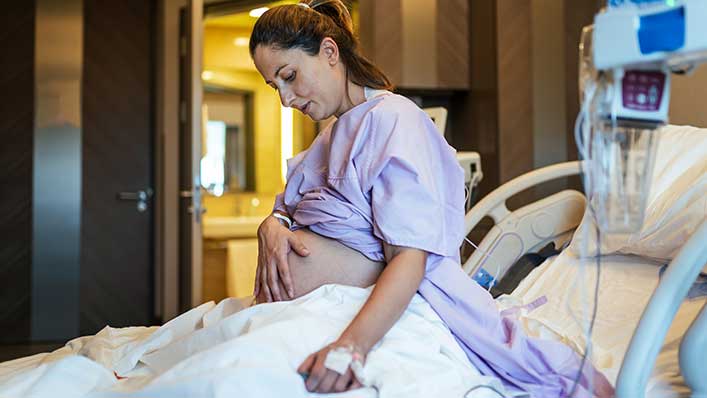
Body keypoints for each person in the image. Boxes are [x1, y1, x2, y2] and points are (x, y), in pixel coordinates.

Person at [249, 1, 614, 396]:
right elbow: (287, 208)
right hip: (303, 311)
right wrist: (272, 225)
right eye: (274, 87)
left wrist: (351, 347)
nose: (285, 99)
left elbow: (411, 256)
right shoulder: (331, 137)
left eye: (289, 76)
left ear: (330, 52)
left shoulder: (391, 120)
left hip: (364, 317)